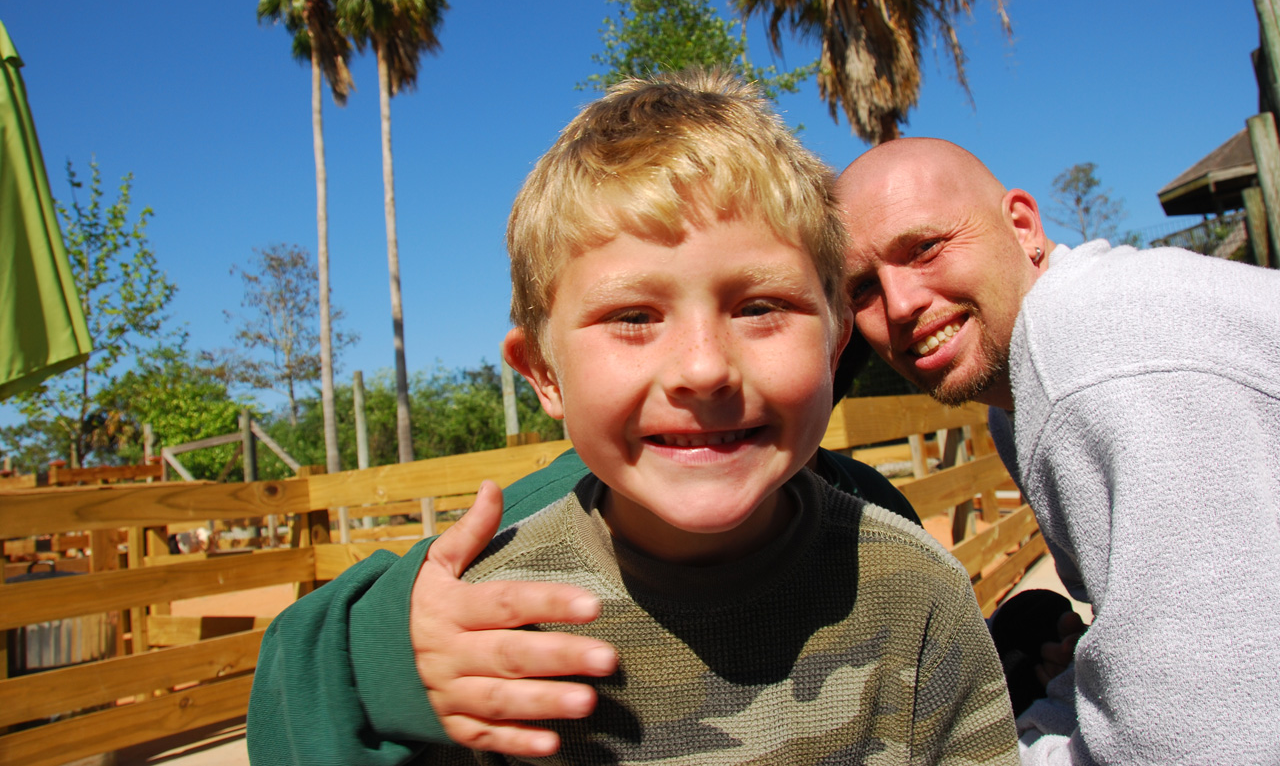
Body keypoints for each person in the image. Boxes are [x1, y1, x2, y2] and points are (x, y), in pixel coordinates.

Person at [248, 75, 1018, 765]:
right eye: (632, 316)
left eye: (760, 307)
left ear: (835, 340)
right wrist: (384, 657)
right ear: (543, 373)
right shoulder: (489, 627)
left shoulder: (914, 590)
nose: (703, 366)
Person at [835, 137, 1280, 766]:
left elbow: (1207, 739)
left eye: (926, 249)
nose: (901, 305)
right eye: (862, 290)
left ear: (1022, 226)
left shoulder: (1084, 350)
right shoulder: (1017, 404)